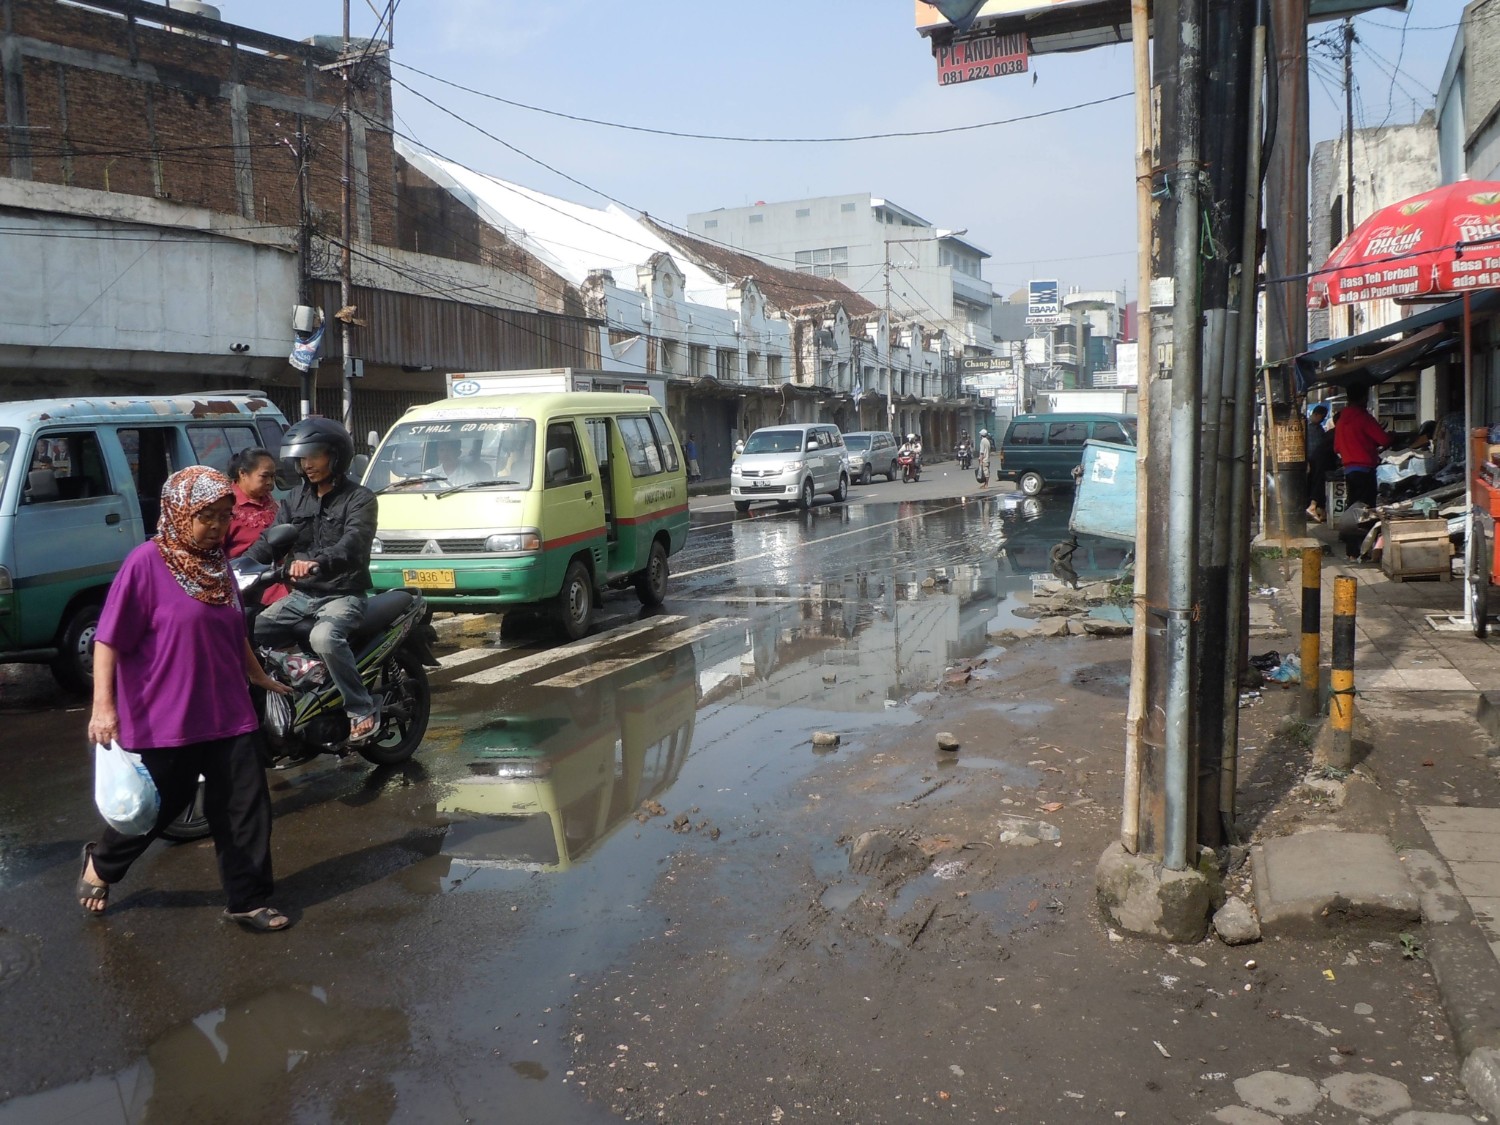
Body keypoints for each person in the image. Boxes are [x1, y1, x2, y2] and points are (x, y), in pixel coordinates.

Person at [77, 466, 294, 931]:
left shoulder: (218, 567)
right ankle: (102, 864)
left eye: (223, 516)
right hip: (165, 714)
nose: (217, 527)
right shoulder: (146, 563)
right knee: (155, 806)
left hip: (228, 710)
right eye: (206, 517)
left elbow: (234, 632)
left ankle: (248, 899)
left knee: (244, 807)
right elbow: (108, 641)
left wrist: (259, 678)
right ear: (178, 513)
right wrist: (103, 707)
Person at [246, 418, 380, 742]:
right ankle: (299, 675)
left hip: (343, 594)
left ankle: (360, 708)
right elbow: (269, 541)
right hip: (301, 597)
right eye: (303, 458)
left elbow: (353, 541)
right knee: (248, 630)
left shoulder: (360, 499)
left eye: (315, 455)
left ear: (335, 456)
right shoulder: (293, 500)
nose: (307, 465)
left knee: (324, 638)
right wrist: (239, 565)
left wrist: (316, 561)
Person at [1333, 384, 1391, 509]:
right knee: (1366, 507)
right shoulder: (1364, 417)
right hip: (1365, 469)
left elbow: (1337, 447)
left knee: (1354, 504)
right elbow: (1384, 440)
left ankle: (1351, 527)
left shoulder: (1341, 421)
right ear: (1364, 398)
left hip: (1349, 469)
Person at [224, 446, 279, 558]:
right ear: (243, 474)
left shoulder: (268, 499)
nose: (269, 482)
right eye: (264, 476)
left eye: (272, 476)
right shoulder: (226, 505)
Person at [1304, 404, 1336, 522]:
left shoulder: (1319, 429)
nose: (1322, 420)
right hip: (1312, 461)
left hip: (1319, 461)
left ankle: (1318, 510)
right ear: (1316, 415)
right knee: (1314, 484)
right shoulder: (1308, 428)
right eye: (1321, 417)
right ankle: (1312, 508)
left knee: (1316, 484)